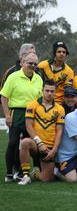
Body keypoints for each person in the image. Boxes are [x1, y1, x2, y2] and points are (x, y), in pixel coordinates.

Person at [0, 52, 43, 182]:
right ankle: (9, 173)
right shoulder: (13, 77)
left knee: (31, 143)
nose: (33, 66)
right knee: (13, 143)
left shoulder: (39, 78)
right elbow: (4, 97)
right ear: (22, 62)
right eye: (30, 63)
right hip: (17, 113)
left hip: (33, 114)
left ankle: (26, 171)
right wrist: (7, 115)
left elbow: (40, 99)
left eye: (35, 64)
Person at [18, 80, 65, 185]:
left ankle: (34, 173)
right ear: (42, 91)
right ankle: (25, 175)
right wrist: (39, 143)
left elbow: (59, 131)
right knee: (25, 142)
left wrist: (54, 150)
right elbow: (28, 126)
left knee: (46, 179)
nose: (49, 93)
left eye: (52, 91)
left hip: (49, 147)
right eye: (47, 90)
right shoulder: (32, 105)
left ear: (55, 92)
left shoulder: (60, 109)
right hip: (36, 144)